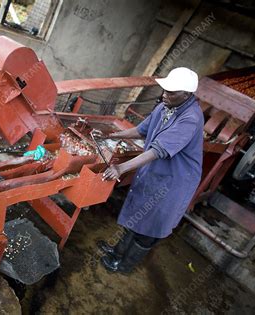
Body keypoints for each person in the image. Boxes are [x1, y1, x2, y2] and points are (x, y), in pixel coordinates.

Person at [99, 67, 204, 274]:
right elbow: (141, 130)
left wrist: (121, 168)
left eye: (171, 92)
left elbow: (158, 149)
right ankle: (117, 252)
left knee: (151, 227)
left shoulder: (190, 118)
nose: (165, 94)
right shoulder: (166, 106)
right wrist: (113, 136)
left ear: (187, 94)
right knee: (138, 215)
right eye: (165, 90)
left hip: (175, 181)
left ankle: (125, 266)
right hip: (157, 173)